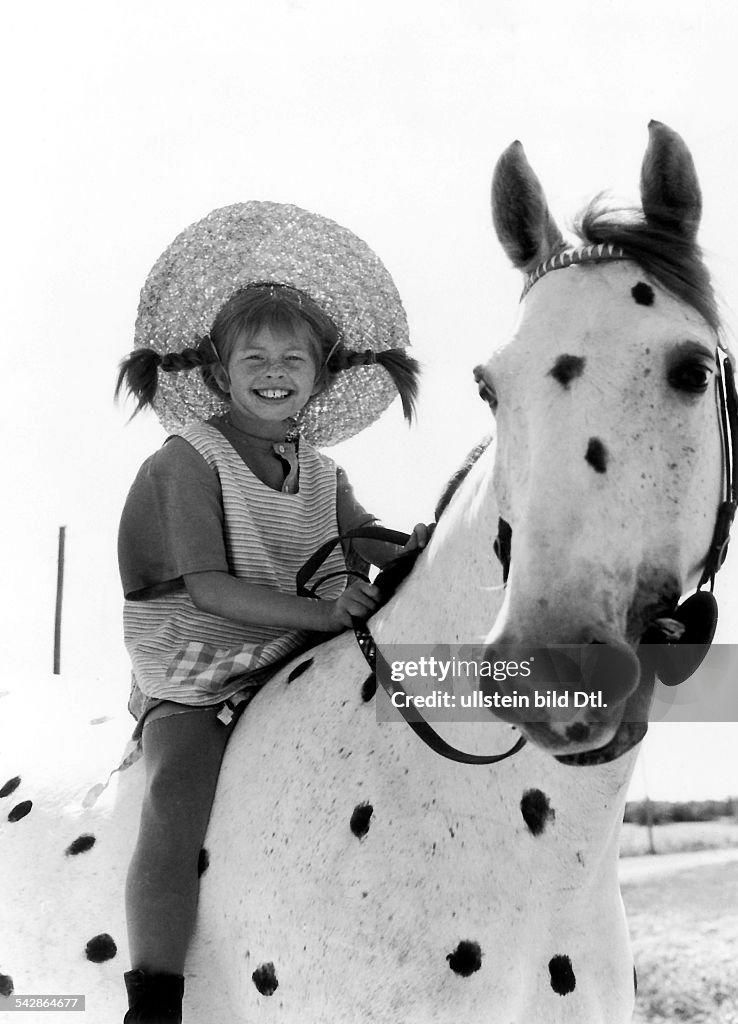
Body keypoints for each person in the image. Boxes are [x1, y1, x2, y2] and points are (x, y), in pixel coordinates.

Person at [115, 201, 429, 1024]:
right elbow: (210, 590)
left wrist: (434, 550)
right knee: (178, 792)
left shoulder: (321, 475)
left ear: (322, 376)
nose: (274, 368)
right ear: (219, 373)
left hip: (288, 650)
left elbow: (366, 543)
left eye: (294, 356)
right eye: (253, 355)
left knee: (413, 690)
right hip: (196, 674)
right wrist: (324, 613)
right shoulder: (189, 458)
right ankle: (152, 995)